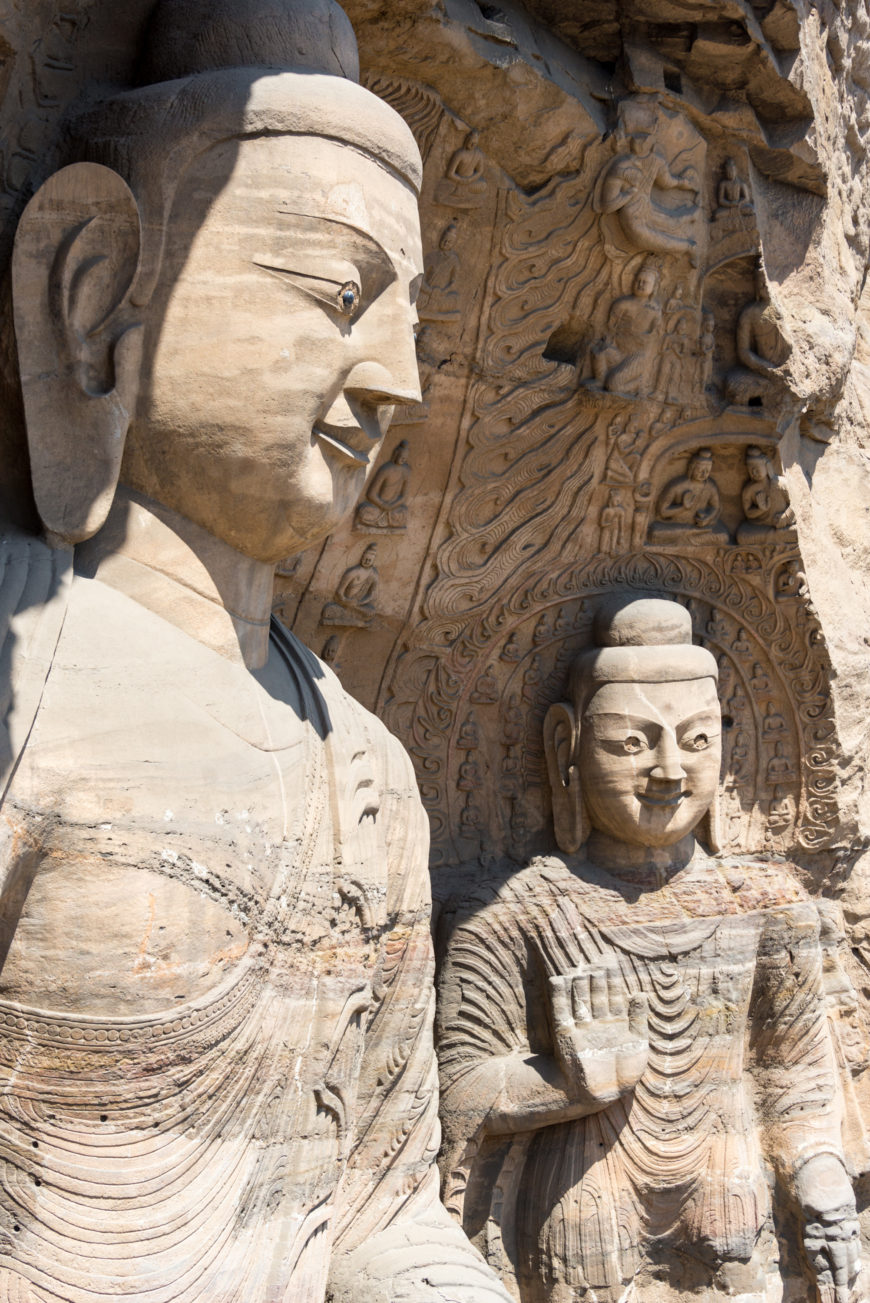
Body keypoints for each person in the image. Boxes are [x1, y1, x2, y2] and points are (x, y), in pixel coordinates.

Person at [0, 2, 513, 1300]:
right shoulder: (25, 660)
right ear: (98, 290)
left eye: (411, 324)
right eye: (339, 296)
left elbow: (378, 1205)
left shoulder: (367, 770)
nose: (397, 381)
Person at [436, 597, 860, 1303]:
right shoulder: (512, 909)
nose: (669, 770)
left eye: (696, 741)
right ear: (565, 744)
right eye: (632, 743)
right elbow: (455, 1094)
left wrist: (822, 1185)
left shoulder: (766, 903)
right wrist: (563, 1085)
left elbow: (797, 1082)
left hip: (734, 1210)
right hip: (582, 1216)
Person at [586, 257, 663, 397]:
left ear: (654, 287)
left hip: (637, 356)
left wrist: (637, 336)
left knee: (613, 384)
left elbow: (654, 336)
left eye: (645, 283)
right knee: (598, 350)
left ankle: (638, 383)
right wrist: (609, 340)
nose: (640, 284)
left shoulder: (654, 310)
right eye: (638, 281)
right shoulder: (622, 304)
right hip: (619, 349)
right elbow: (610, 328)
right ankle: (600, 379)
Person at [650, 447, 729, 542]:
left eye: (707, 471)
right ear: (692, 468)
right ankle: (689, 538)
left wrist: (707, 518)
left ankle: (687, 539)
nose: (704, 474)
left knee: (723, 536)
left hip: (699, 527)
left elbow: (715, 507)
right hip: (675, 525)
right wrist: (682, 507)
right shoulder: (677, 485)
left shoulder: (710, 486)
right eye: (700, 470)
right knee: (655, 533)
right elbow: (662, 512)